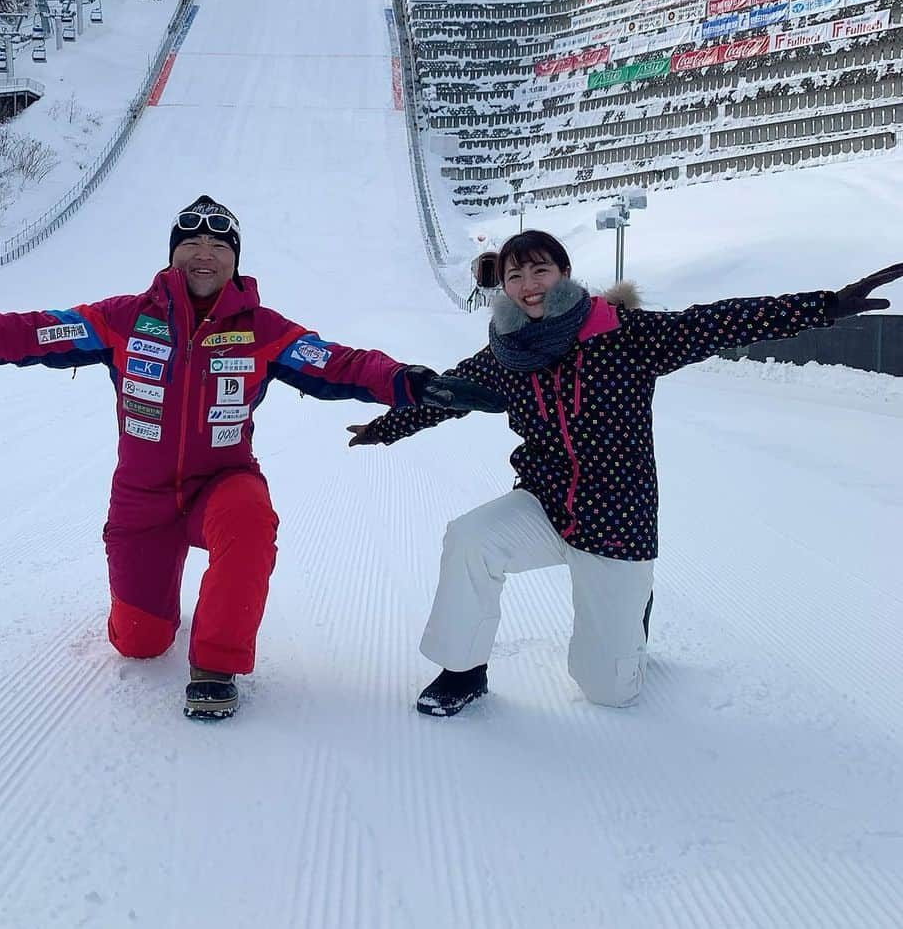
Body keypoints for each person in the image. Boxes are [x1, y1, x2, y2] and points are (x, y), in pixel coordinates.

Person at [0, 195, 501, 722]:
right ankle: (156, 615)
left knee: (250, 519)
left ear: (235, 259)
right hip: (142, 501)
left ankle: (215, 664)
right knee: (140, 643)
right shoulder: (123, 318)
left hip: (220, 483)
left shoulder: (262, 330)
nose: (203, 254)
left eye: (218, 244)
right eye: (191, 242)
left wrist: (409, 381)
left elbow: (339, 363)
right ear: (174, 253)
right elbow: (28, 332)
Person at [348, 230, 902, 718]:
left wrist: (824, 306)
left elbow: (716, 322)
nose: (527, 283)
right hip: (544, 504)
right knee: (470, 538)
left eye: (540, 268)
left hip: (617, 519)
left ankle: (632, 617)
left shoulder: (624, 335)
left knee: (609, 690)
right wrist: (387, 427)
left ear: (563, 274)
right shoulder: (505, 352)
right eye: (515, 274)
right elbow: (450, 393)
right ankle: (463, 672)